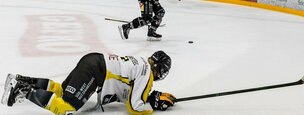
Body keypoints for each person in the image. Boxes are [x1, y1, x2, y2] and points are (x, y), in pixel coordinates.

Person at [1, 51, 176, 114]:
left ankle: (23, 79)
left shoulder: (140, 62)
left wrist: (152, 96)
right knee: (67, 107)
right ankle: (23, 90)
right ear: (159, 69)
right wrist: (151, 107)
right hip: (96, 70)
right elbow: (134, 106)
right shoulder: (147, 74)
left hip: (93, 59)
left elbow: (128, 88)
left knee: (62, 91)